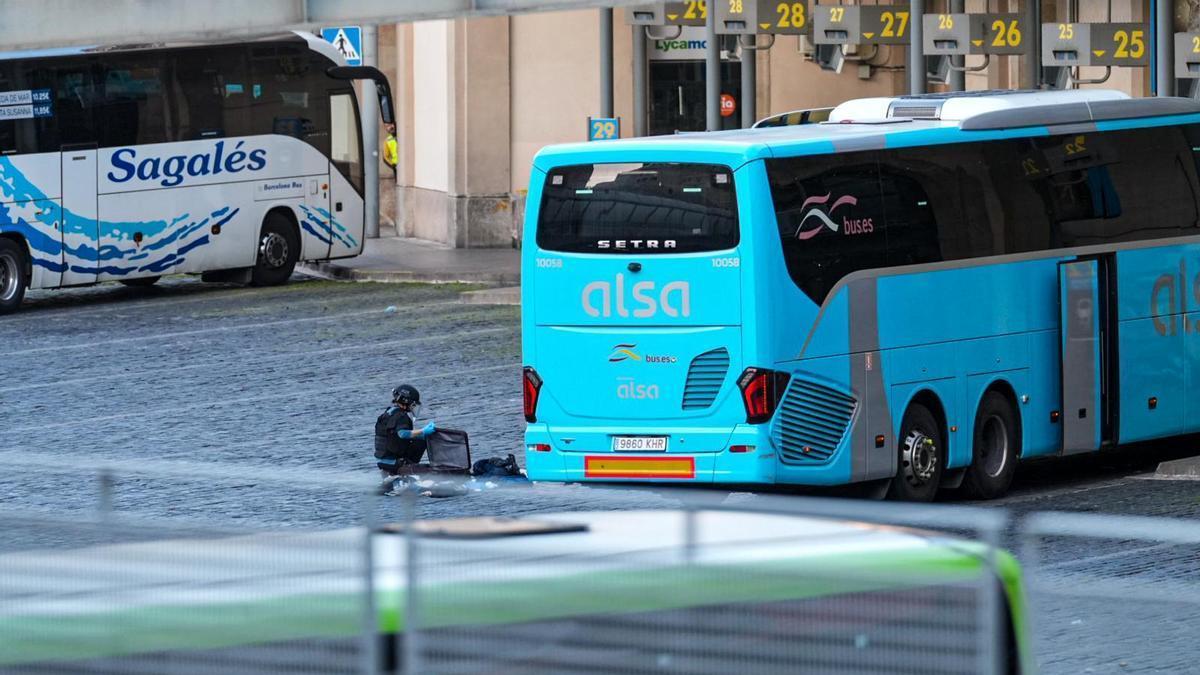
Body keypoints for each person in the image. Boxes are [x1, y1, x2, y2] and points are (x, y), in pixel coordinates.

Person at [375, 384, 435, 478]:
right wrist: (423, 431)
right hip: (396, 463)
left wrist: (420, 434)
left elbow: (393, 436)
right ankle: (407, 469)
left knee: (419, 437)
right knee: (422, 440)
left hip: (384, 462)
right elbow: (402, 434)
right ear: (406, 401)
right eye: (413, 404)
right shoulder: (401, 416)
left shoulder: (388, 414)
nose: (413, 407)